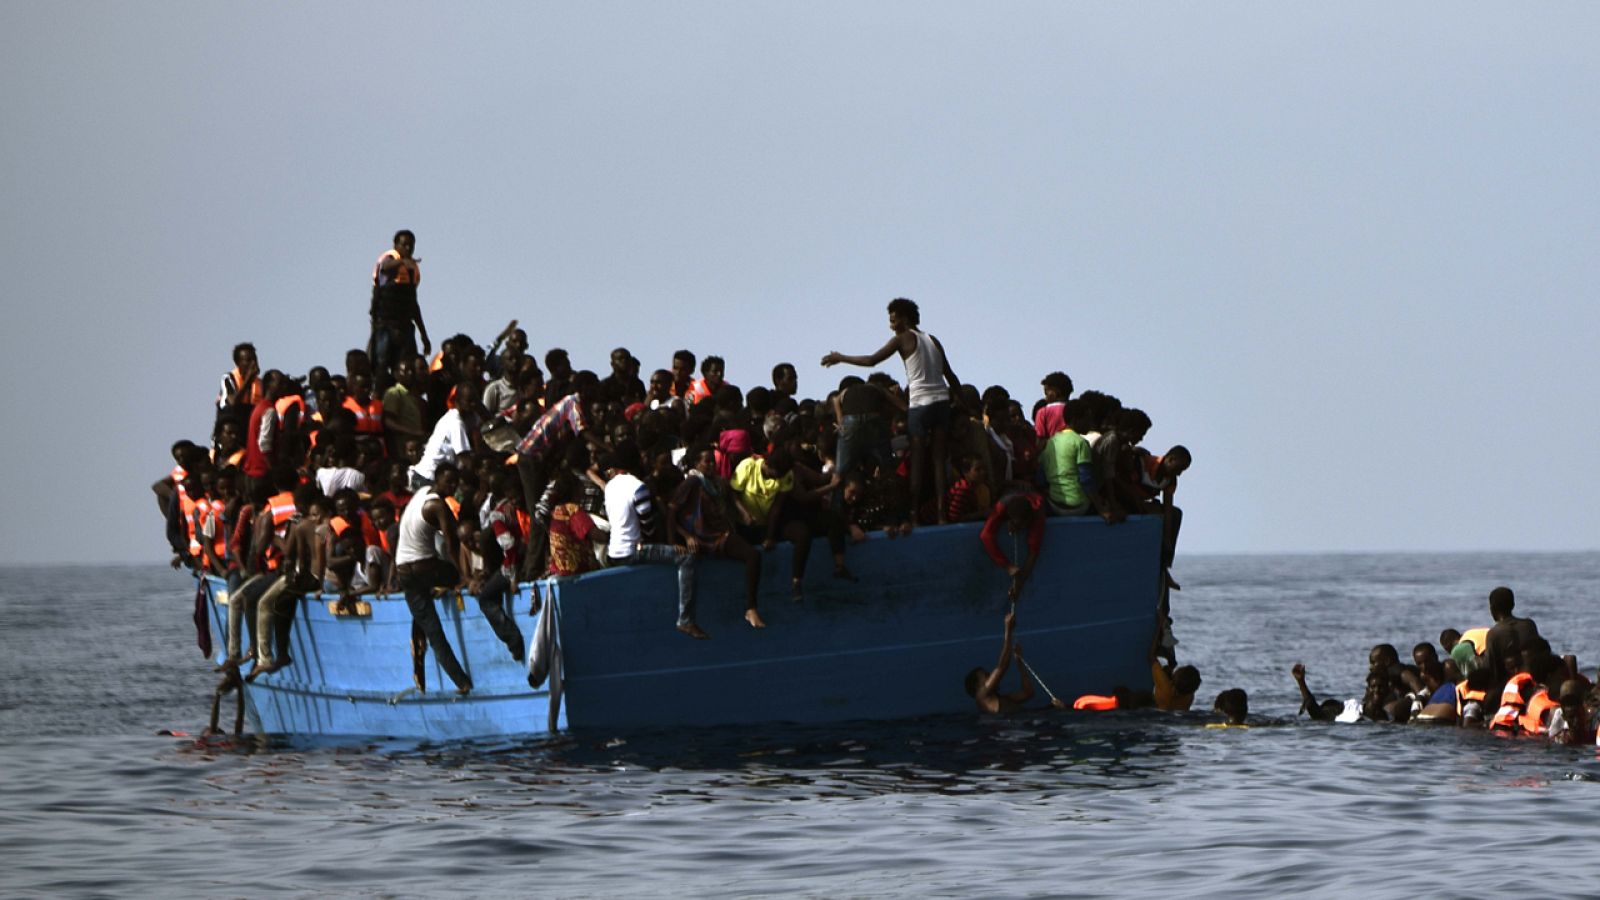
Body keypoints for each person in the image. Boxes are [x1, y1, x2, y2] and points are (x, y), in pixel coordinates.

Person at [822, 297, 964, 525]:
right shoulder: (933, 340)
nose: (891, 325)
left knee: (917, 460)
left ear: (904, 319)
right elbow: (951, 375)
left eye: (893, 320)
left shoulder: (902, 338)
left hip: (921, 404)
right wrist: (964, 403)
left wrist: (841, 358)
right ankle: (941, 514)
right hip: (941, 401)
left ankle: (914, 514)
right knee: (938, 460)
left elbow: (871, 361)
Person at [600, 444, 705, 639]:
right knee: (687, 559)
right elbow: (648, 525)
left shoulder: (610, 486)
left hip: (614, 552)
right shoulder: (637, 486)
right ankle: (686, 620)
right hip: (633, 551)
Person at [395, 463, 473, 694]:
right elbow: (452, 543)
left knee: (433, 631)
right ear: (438, 480)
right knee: (448, 573)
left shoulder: (420, 494)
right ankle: (462, 682)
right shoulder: (438, 505)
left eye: (455, 482)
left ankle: (463, 683)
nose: (453, 486)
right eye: (449, 481)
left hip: (404, 572)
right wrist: (463, 576)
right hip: (423, 569)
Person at [671, 443, 765, 629]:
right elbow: (671, 511)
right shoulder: (691, 483)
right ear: (697, 464)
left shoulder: (717, 482)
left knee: (757, 547)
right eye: (707, 462)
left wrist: (745, 514)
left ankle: (751, 608)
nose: (711, 465)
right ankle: (751, 608)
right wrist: (683, 537)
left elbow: (731, 497)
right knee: (753, 555)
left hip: (723, 532)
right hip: (708, 537)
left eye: (713, 462)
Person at [369, 229, 431, 377]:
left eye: (411, 245)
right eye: (404, 245)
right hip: (385, 326)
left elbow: (413, 304)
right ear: (396, 245)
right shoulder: (390, 260)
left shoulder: (412, 271)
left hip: (405, 328)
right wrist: (403, 261)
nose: (408, 248)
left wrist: (424, 334)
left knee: (408, 367)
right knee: (381, 365)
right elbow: (386, 267)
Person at [409, 381, 481, 489]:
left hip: (429, 477)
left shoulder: (466, 417)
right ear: (458, 401)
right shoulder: (456, 423)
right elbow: (465, 459)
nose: (473, 404)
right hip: (427, 479)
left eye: (475, 401)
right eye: (469, 401)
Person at [978, 489, 1046, 601]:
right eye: (1017, 525)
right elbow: (985, 536)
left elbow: (1033, 552)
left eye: (1023, 526)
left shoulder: (1038, 514)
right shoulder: (1002, 506)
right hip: (1009, 496)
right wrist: (1007, 566)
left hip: (1032, 495)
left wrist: (1018, 586)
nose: (1019, 530)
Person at [964, 610, 1035, 714]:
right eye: (986, 675)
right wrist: (1008, 630)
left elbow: (1028, 693)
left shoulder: (1003, 699)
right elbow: (1001, 667)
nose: (991, 676)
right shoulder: (981, 697)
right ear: (977, 686)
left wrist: (1019, 662)